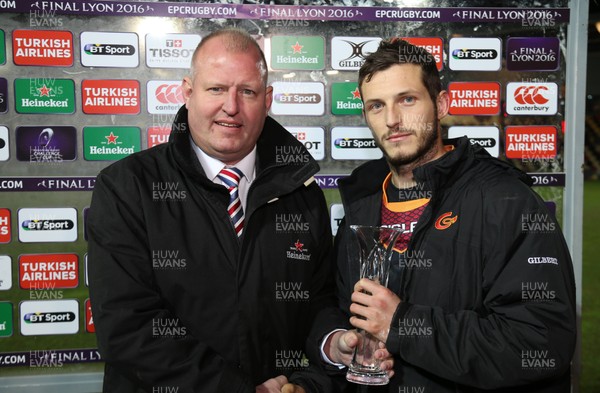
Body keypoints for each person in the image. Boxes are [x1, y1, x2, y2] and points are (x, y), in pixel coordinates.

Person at [314, 38, 577, 393]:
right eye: (377, 106)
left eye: (407, 99)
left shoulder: (504, 200)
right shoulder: (361, 204)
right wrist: (337, 344)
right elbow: (331, 302)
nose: (392, 120)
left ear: (440, 104)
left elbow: (541, 340)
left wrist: (403, 325)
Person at [87, 28, 336, 393]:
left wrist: (324, 357)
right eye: (216, 89)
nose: (231, 107)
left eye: (247, 92)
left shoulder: (301, 192)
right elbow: (127, 328)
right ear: (188, 92)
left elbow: (319, 301)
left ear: (267, 100)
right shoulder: (128, 187)